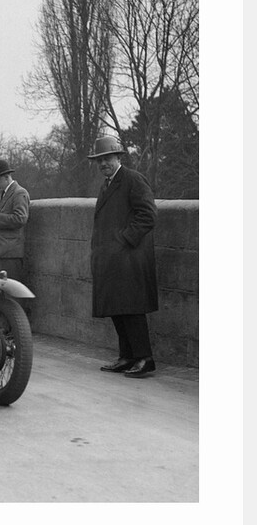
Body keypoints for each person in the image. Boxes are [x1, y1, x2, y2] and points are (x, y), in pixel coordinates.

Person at [89, 136, 159, 379]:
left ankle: (144, 358)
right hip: (113, 259)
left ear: (118, 157)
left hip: (130, 258)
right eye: (99, 161)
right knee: (118, 308)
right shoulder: (108, 183)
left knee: (132, 309)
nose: (103, 164)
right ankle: (127, 356)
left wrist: (123, 240)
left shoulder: (132, 179)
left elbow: (148, 215)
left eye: (107, 158)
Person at [0, 159, 30, 283]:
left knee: (11, 291)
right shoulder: (4, 193)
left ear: (7, 177)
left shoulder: (19, 193)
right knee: (1, 292)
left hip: (10, 253)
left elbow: (21, 218)